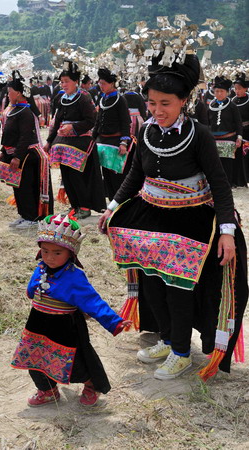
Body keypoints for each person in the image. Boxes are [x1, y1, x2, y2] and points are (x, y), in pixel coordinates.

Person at [99, 53, 248, 381]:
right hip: (150, 217)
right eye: (152, 102)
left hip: (188, 222)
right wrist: (112, 208)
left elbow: (220, 186)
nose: (157, 110)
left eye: (165, 103)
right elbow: (135, 175)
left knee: (178, 288)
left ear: (184, 100)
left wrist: (226, 231)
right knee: (152, 282)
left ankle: (181, 352)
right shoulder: (148, 132)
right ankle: (166, 339)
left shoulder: (199, 135)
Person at [11, 214, 131, 406]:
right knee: (35, 358)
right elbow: (31, 291)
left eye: (57, 253)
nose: (49, 257)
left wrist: (115, 321)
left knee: (73, 362)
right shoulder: (41, 268)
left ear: (71, 253)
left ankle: (91, 385)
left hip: (65, 327)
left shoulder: (74, 276)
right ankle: (48, 390)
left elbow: (93, 301)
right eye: (45, 251)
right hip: (37, 323)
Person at [44, 61, 106, 220]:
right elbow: (57, 121)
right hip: (63, 142)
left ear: (76, 82)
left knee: (77, 176)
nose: (63, 85)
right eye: (61, 82)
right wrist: (49, 141)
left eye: (66, 82)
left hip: (80, 142)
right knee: (67, 176)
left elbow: (92, 120)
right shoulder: (61, 97)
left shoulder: (84, 97)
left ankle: (84, 207)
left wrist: (73, 128)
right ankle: (74, 206)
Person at [0, 70, 53, 229]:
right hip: (16, 154)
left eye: (10, 92)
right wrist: (3, 150)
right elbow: (10, 134)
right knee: (17, 187)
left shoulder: (26, 112)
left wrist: (17, 157)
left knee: (26, 186)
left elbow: (25, 137)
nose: (8, 95)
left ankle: (32, 217)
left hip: (27, 155)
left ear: (20, 93)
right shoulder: (14, 110)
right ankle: (23, 214)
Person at [93, 67, 133, 201]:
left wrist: (123, 142)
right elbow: (98, 120)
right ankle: (111, 203)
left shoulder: (120, 100)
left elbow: (125, 121)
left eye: (103, 84)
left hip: (116, 143)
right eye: (100, 84)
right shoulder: (102, 98)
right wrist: (93, 138)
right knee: (106, 176)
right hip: (103, 142)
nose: (101, 86)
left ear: (111, 84)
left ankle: (121, 205)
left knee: (117, 177)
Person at [208, 76, 245, 187]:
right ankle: (217, 183)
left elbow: (238, 123)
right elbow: (207, 123)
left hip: (228, 139)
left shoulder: (232, 106)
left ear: (227, 92)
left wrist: (239, 137)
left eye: (221, 91)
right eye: (217, 91)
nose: (219, 93)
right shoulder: (211, 106)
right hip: (214, 140)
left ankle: (228, 183)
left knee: (227, 163)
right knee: (216, 163)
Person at [232, 73, 249, 182]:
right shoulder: (232, 101)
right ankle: (238, 180)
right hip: (236, 133)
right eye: (235, 89)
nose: (237, 91)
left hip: (248, 132)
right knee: (237, 156)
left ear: (246, 88)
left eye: (239, 89)